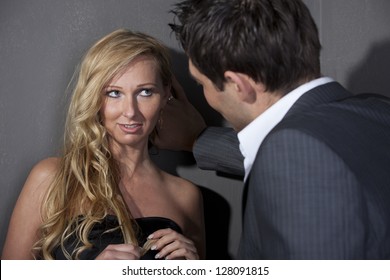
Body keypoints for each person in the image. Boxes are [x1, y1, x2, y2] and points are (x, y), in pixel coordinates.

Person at [155, 0, 390, 259]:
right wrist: (196, 139)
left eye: (201, 84)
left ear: (238, 85)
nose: (205, 94)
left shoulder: (293, 155)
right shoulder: (377, 111)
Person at [1, 29, 205, 260]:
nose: (130, 112)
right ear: (95, 97)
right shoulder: (51, 178)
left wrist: (196, 270)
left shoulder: (185, 196)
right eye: (114, 93)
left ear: (165, 94)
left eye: (145, 92)